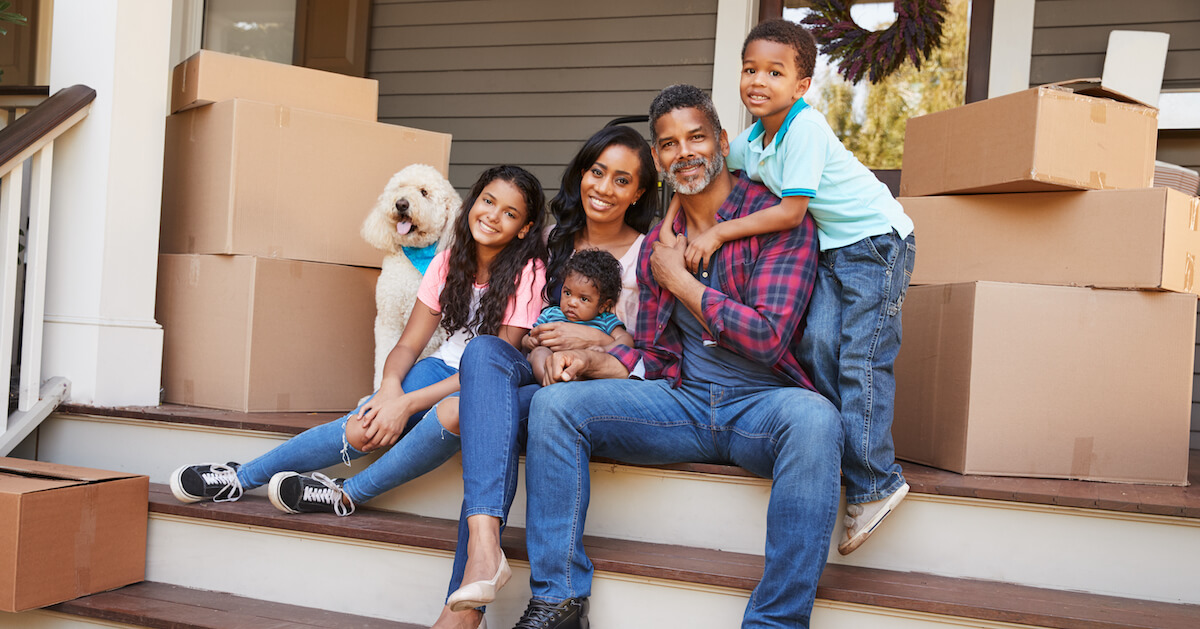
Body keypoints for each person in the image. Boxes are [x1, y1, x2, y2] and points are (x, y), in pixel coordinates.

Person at [511, 84, 843, 629]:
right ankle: (559, 600)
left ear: (722, 141)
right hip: (682, 403)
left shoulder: (779, 220)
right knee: (554, 407)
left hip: (762, 406)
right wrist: (592, 363)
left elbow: (767, 337)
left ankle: (776, 623)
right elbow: (657, 354)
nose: (683, 152)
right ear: (659, 159)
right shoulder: (661, 241)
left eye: (696, 137)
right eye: (667, 144)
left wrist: (681, 281)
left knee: (817, 420)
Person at [659, 19, 917, 554]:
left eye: (775, 72)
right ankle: (836, 454)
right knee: (818, 344)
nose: (759, 80)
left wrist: (722, 232)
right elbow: (695, 172)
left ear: (801, 86)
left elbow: (791, 211)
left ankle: (877, 480)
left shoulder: (804, 130)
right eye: (750, 68)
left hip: (876, 244)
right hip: (833, 249)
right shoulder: (755, 138)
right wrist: (670, 225)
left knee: (860, 358)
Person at [168, 165, 547, 527]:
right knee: (364, 425)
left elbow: (490, 368)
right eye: (487, 201)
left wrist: (407, 404)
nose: (493, 215)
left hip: (485, 384)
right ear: (473, 203)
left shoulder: (528, 273)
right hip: (442, 367)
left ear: (524, 228)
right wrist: (389, 390)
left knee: (442, 417)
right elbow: (407, 344)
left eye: (509, 213)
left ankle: (345, 494)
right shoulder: (449, 262)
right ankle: (240, 476)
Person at [429, 125, 659, 629]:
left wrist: (594, 343)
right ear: (581, 172)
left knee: (492, 416)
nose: (603, 187)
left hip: (600, 390)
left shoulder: (651, 253)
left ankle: (462, 612)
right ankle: (485, 552)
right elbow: (528, 328)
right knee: (486, 351)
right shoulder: (549, 243)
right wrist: (540, 353)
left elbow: (652, 349)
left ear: (639, 193)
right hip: (541, 373)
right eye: (597, 172)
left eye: (622, 180)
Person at [523, 249, 633, 384]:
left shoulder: (605, 320)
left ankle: (570, 382)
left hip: (582, 368)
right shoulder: (551, 313)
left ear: (603, 305)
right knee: (539, 352)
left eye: (584, 299)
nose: (572, 303)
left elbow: (626, 340)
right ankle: (550, 381)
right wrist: (529, 342)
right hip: (550, 363)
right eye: (567, 293)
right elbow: (528, 337)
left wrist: (604, 349)